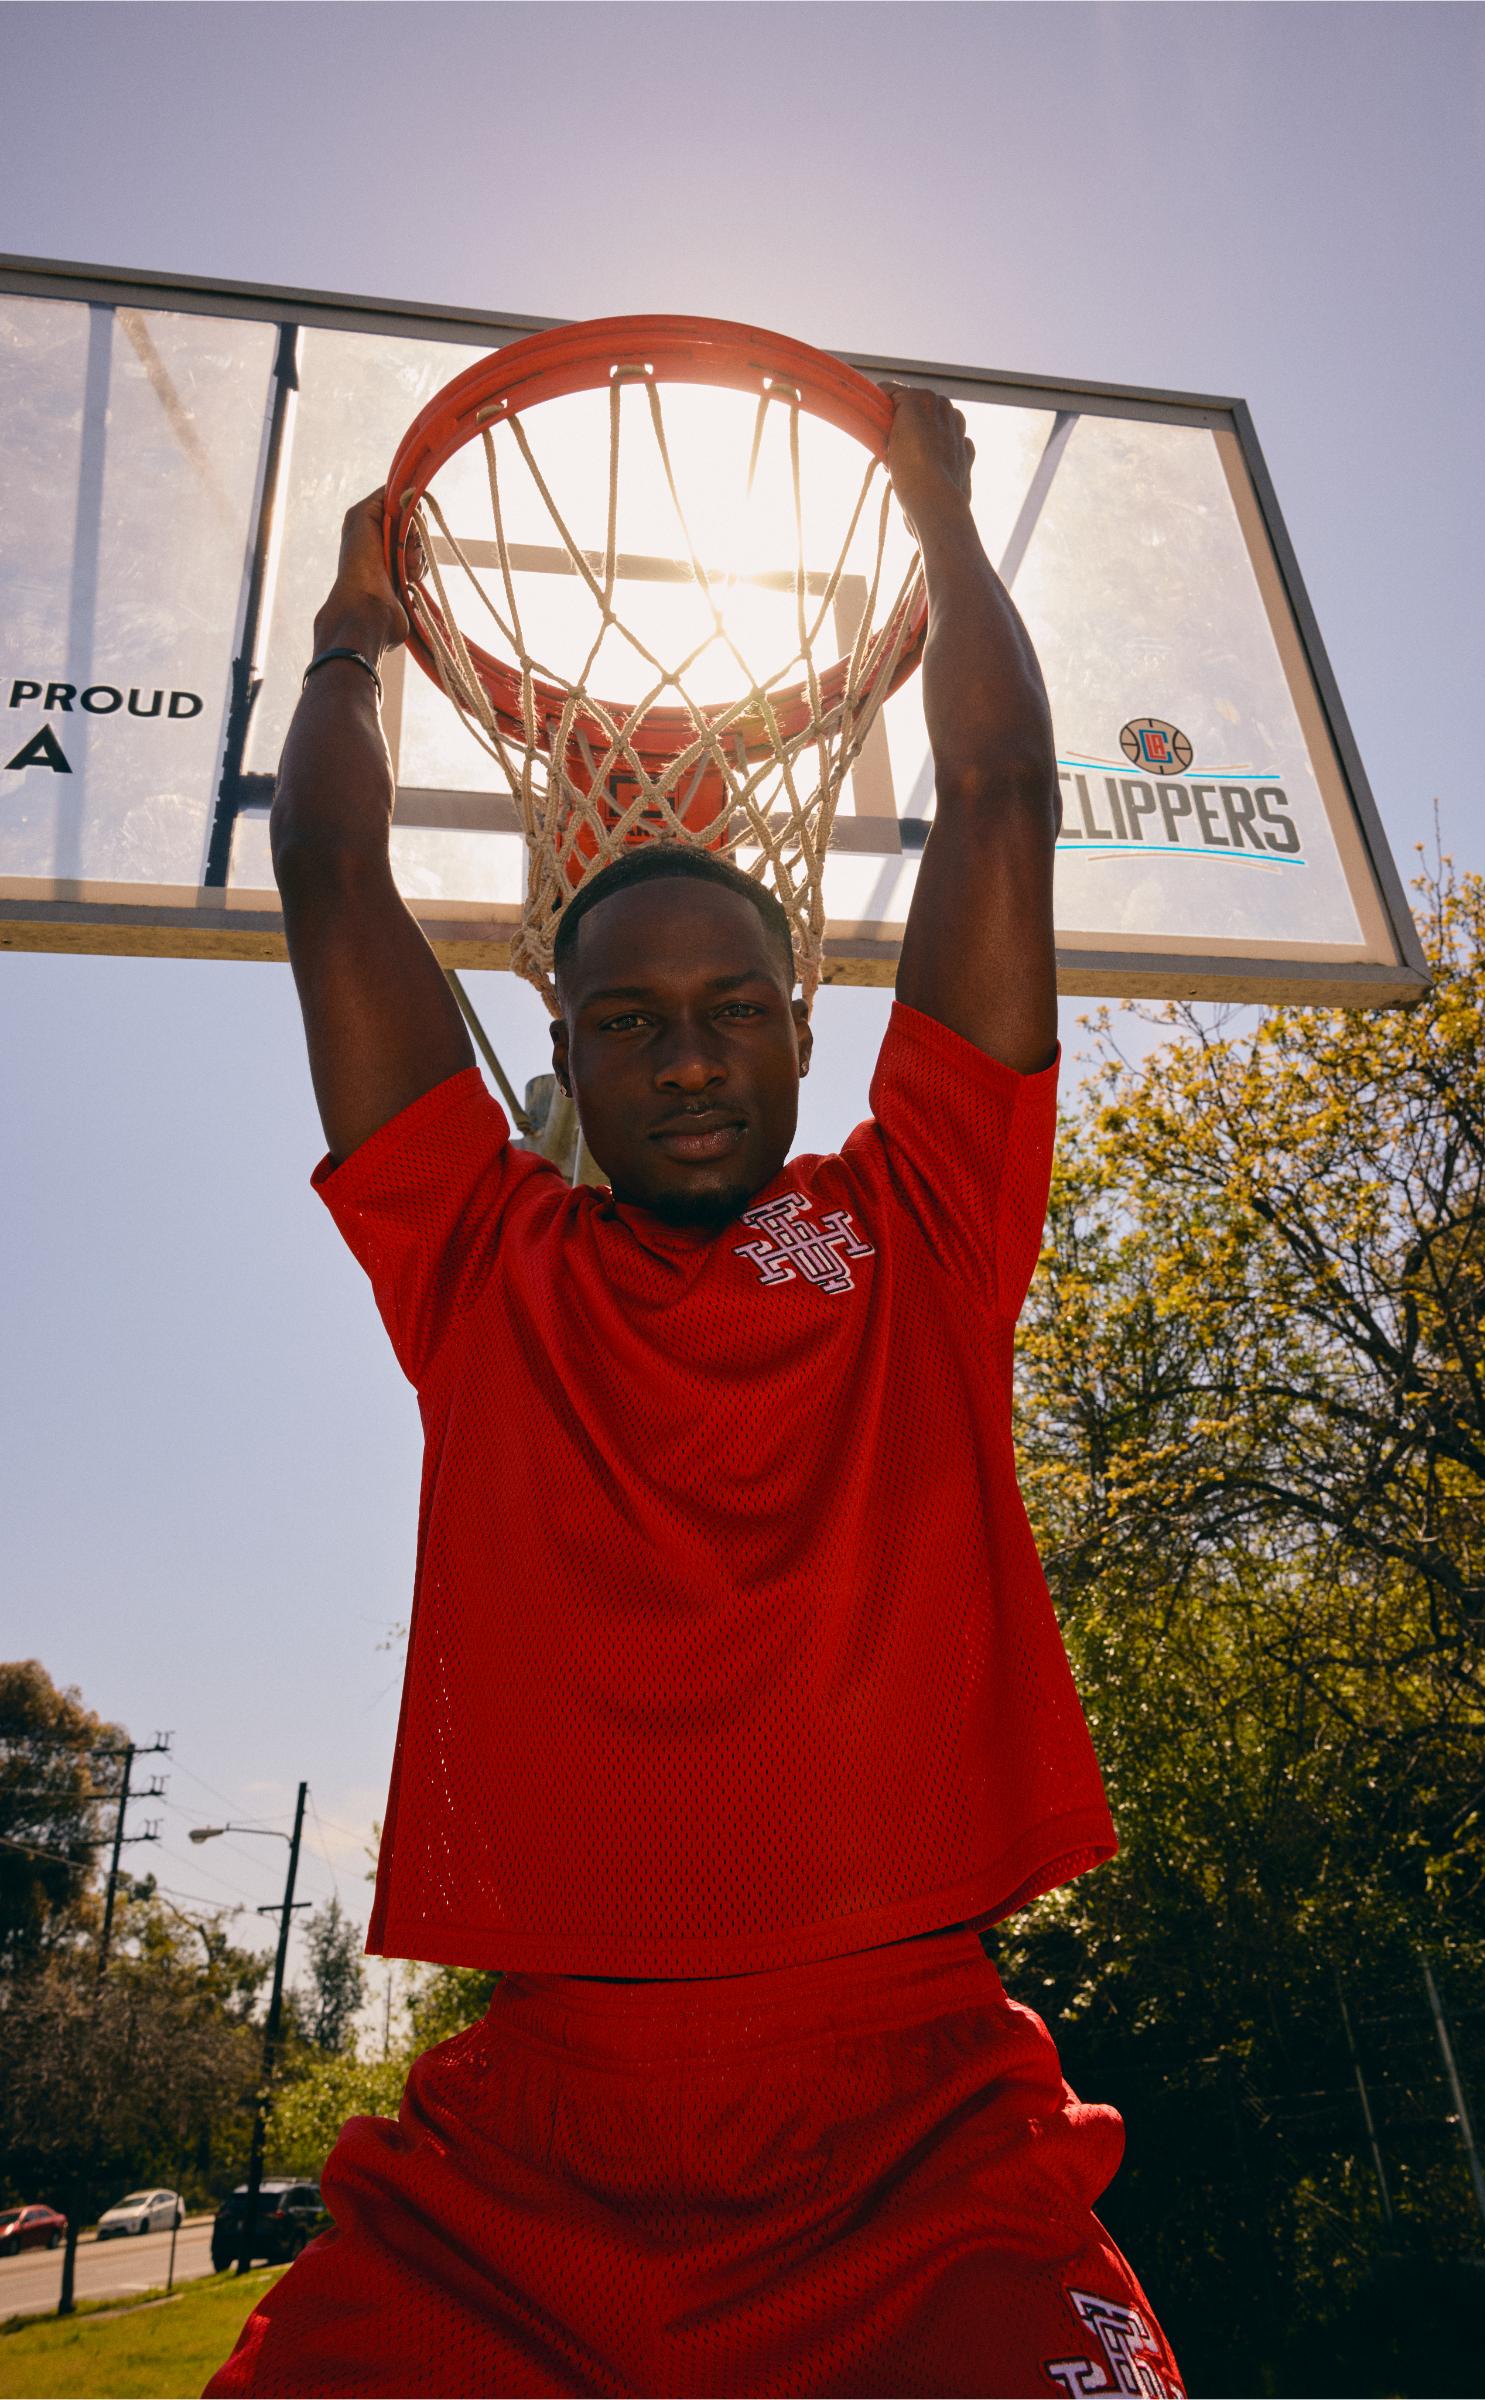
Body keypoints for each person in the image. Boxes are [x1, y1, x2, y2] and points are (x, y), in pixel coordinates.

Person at [206, 387, 1184, 2400]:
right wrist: (347, 622)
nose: (683, 1057)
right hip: (532, 2158)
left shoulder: (920, 1225)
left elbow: (998, 793)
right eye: (630, 1022)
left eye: (733, 1009)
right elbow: (321, 862)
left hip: (912, 2130)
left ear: (806, 1028)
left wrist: (938, 509)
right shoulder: (482, 1266)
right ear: (555, 1047)